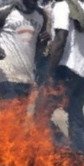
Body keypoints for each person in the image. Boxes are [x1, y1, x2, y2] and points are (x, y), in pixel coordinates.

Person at [0, 0, 49, 110]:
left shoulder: (42, 15)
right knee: (10, 116)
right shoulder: (5, 12)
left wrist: (44, 41)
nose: (33, 2)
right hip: (6, 75)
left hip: (27, 77)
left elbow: (38, 47)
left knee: (20, 119)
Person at [36, 0, 84, 151]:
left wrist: (49, 72)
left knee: (41, 111)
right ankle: (78, 158)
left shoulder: (63, 6)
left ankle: (52, 151)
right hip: (80, 71)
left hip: (65, 68)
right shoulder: (81, 7)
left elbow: (60, 39)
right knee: (75, 116)